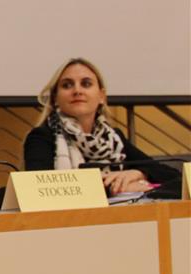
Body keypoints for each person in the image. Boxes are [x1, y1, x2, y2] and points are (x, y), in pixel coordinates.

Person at [25, 57, 180, 196]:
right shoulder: (41, 137)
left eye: (86, 84)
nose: (77, 91)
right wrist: (116, 188)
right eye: (67, 85)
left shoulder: (113, 137)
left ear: (101, 96)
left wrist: (139, 173)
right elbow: (41, 192)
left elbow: (174, 176)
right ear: (55, 98)